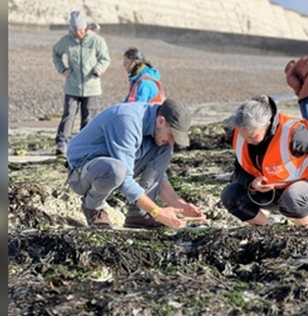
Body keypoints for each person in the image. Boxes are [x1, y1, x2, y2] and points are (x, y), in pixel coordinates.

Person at [66, 98, 206, 229]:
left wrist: (180, 205)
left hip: (113, 169)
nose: (172, 141)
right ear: (161, 121)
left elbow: (157, 176)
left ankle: (138, 215)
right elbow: (125, 178)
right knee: (116, 170)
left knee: (165, 148)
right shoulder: (127, 120)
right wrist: (157, 212)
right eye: (172, 135)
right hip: (81, 174)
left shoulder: (156, 130)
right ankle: (93, 208)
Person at [221, 95, 308, 228]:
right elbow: (239, 169)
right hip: (267, 193)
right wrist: (251, 183)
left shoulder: (294, 134)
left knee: (293, 196)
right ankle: (265, 228)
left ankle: (305, 227)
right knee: (230, 195)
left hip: (302, 190)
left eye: (253, 136)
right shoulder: (240, 133)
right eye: (244, 136)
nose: (248, 141)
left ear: (267, 124)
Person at [52, 11, 111, 155]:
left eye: (81, 29)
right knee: (68, 114)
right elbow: (56, 54)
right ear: (71, 29)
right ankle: (61, 142)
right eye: (75, 30)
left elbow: (105, 58)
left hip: (91, 86)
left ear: (85, 27)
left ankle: (85, 144)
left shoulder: (97, 40)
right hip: (72, 86)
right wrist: (63, 69)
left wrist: (99, 68)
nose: (79, 33)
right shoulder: (66, 41)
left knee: (89, 116)